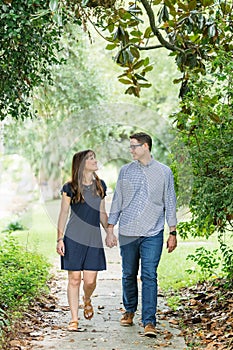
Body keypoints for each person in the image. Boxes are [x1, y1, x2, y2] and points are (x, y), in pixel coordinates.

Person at [107, 132, 177, 337]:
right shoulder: (125, 171)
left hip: (153, 232)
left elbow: (170, 203)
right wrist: (111, 228)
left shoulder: (164, 172)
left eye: (134, 146)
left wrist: (172, 232)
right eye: (130, 146)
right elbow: (118, 200)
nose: (131, 150)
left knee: (149, 275)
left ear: (145, 146)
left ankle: (149, 321)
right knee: (128, 274)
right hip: (128, 232)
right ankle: (129, 311)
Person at [56, 149, 110, 331]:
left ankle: (87, 299)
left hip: (93, 238)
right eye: (91, 158)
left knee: (90, 281)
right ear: (82, 164)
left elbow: (102, 213)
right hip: (73, 238)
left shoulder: (100, 185)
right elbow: (63, 213)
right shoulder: (70, 187)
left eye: (95, 157)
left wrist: (109, 231)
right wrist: (59, 239)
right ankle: (73, 319)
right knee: (74, 279)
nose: (95, 161)